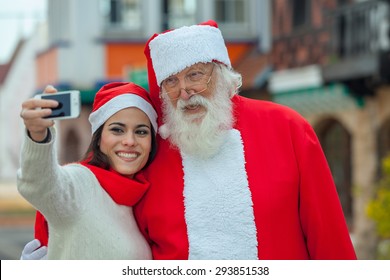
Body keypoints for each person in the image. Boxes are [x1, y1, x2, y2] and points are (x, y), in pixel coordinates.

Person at [22, 20, 357, 260]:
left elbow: (328, 235)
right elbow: (85, 201)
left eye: (196, 75)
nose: (185, 92)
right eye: (171, 81)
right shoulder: (150, 151)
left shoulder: (287, 128)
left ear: (223, 73)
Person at [17, 82, 157, 259]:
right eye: (117, 130)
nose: (130, 140)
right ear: (98, 138)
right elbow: (39, 183)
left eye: (141, 132)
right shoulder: (81, 183)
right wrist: (37, 134)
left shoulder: (143, 199)